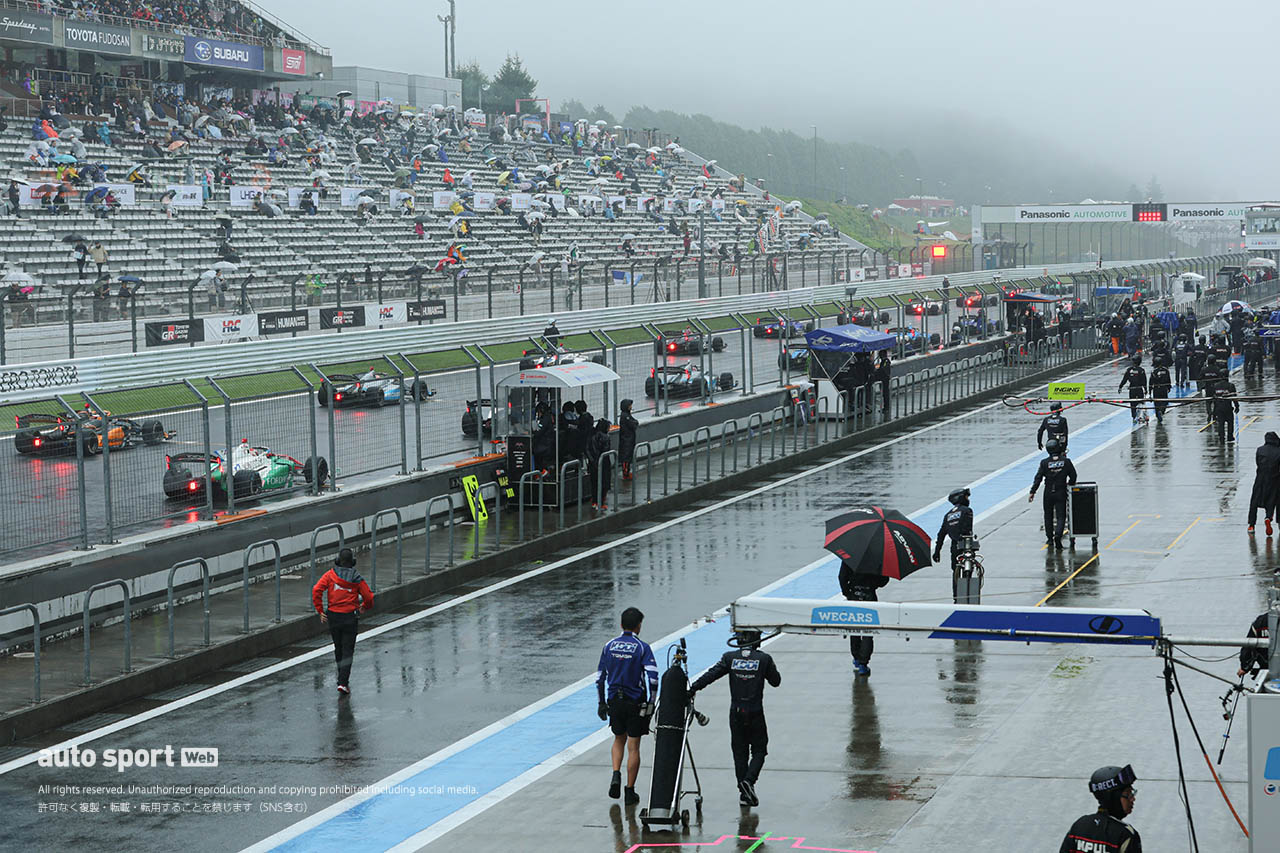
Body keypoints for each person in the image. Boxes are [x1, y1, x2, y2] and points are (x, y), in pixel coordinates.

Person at [688, 629, 782, 807]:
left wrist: (693, 688)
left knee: (740, 753)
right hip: (755, 711)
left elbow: (711, 675)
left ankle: (743, 792)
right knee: (760, 751)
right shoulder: (764, 659)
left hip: (736, 712)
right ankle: (749, 782)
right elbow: (776, 681)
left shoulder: (729, 658)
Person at [596, 607, 658, 805]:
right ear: (639, 626)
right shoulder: (642, 647)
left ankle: (616, 773)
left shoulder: (609, 645)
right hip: (635, 702)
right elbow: (653, 678)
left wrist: (601, 702)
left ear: (621, 624)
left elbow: (599, 678)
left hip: (614, 699)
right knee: (634, 746)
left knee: (618, 739)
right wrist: (651, 703)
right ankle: (630, 791)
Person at [311, 548, 374, 696]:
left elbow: (316, 590)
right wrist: (364, 607)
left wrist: (320, 610)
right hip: (350, 617)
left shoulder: (330, 575)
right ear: (352, 562)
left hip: (333, 617)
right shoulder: (356, 578)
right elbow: (369, 597)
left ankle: (341, 678)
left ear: (338, 561)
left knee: (338, 648)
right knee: (348, 650)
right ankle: (343, 682)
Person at [1059, 765, 1142, 853]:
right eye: (1128, 793)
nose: (1133, 799)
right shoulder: (1125, 834)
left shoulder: (1080, 825)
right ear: (1113, 797)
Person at [838, 559, 889, 676]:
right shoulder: (878, 556)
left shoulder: (850, 554)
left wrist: (847, 592)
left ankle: (856, 657)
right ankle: (863, 663)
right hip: (869, 595)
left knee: (854, 628)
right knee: (868, 631)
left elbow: (842, 576)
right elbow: (883, 581)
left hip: (854, 594)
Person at [1030, 438, 1078, 550]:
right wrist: (1069, 484)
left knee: (1048, 516)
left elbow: (1038, 478)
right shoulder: (1066, 461)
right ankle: (1058, 535)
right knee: (1061, 516)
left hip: (1048, 492)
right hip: (1061, 491)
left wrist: (1033, 491)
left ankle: (1050, 539)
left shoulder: (1044, 462)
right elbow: (1073, 476)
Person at [932, 488, 975, 597]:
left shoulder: (947, 515)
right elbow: (968, 530)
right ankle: (969, 591)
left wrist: (937, 552)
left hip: (954, 547)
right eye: (966, 496)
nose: (967, 499)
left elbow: (941, 535)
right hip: (966, 544)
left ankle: (956, 597)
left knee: (955, 571)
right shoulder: (967, 510)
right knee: (969, 568)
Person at [1248, 432, 1280, 534]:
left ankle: (1251, 525)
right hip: (1275, 478)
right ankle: (1269, 517)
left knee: (1254, 501)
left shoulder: (1260, 450)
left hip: (1261, 479)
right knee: (1274, 500)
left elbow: (1257, 463)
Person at [586, 418, 613, 510]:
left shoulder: (591, 435)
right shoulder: (605, 437)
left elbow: (587, 449)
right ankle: (601, 503)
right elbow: (606, 450)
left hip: (593, 463)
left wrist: (593, 461)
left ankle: (595, 502)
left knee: (594, 483)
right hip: (603, 463)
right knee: (604, 483)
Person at [1237, 612, 1271, 677]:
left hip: (1266, 668)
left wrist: (1245, 667)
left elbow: (1249, 645)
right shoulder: (1260, 622)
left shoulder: (1260, 621)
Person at [1118, 356, 1147, 424]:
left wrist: (1120, 387)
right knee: (1141, 403)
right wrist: (1146, 389)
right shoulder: (1141, 370)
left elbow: (1124, 379)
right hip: (1139, 389)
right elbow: (1144, 381)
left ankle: (1134, 416)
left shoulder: (1129, 370)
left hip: (1132, 389)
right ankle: (1142, 416)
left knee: (1133, 404)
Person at [618, 399, 638, 480]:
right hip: (626, 440)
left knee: (628, 456)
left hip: (629, 439)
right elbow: (633, 424)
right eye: (630, 405)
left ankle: (627, 472)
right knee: (626, 457)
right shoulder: (625, 416)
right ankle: (625, 473)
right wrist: (635, 423)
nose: (631, 407)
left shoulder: (627, 415)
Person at [1214, 378, 1239, 442]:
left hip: (1219, 407)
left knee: (1221, 424)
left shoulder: (1216, 385)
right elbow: (1234, 397)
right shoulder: (1231, 385)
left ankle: (1221, 437)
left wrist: (1215, 410)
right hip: (1228, 407)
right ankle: (1230, 436)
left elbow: (1214, 398)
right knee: (1230, 423)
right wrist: (1237, 406)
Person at [875, 351, 891, 415]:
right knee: (884, 394)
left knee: (885, 394)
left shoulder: (885, 361)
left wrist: (877, 372)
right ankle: (885, 407)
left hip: (885, 380)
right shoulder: (884, 361)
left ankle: (886, 408)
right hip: (884, 379)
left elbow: (883, 370)